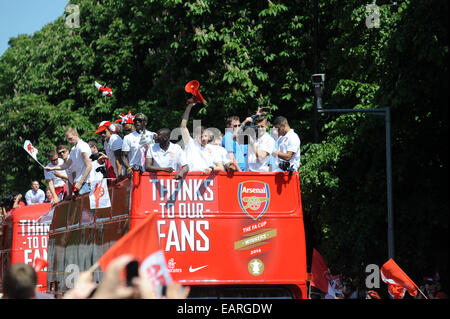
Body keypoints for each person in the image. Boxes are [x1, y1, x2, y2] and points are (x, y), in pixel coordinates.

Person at [179, 99, 225, 174]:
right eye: (201, 136)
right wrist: (189, 107)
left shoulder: (213, 149)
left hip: (207, 182)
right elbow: (183, 127)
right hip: (190, 179)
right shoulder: (190, 144)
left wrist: (211, 169)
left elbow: (221, 167)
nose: (203, 138)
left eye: (205, 136)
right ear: (196, 137)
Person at [45, 128, 94, 195]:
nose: (69, 141)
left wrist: (80, 182)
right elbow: (66, 165)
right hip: (78, 183)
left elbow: (89, 166)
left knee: (87, 204)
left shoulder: (82, 146)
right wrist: (52, 168)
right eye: (68, 139)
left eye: (70, 138)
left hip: (85, 182)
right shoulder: (73, 149)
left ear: (76, 135)